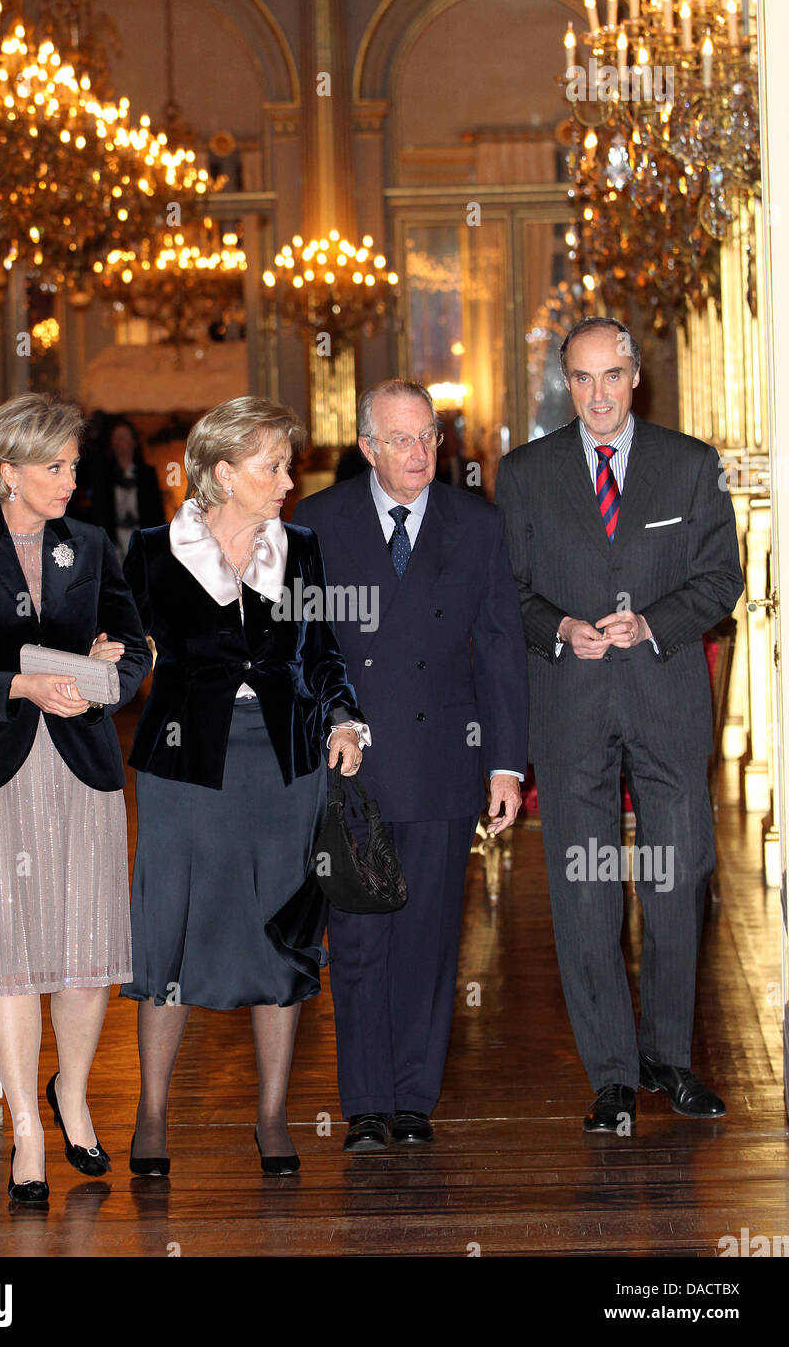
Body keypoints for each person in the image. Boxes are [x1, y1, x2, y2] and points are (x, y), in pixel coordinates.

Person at [494, 316, 744, 1133]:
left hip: (665, 700)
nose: (597, 395)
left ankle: (671, 1060)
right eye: (582, 378)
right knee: (583, 889)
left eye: (611, 376)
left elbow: (719, 581)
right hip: (570, 707)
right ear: (568, 382)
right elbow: (510, 594)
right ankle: (610, 1073)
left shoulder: (689, 464)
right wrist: (563, 628)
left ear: (636, 377)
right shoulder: (525, 474)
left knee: (677, 885)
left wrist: (654, 623)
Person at [119, 396, 368, 1177]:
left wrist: (343, 721)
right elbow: (124, 654)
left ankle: (271, 1114)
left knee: (283, 933)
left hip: (286, 762)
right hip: (185, 765)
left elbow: (323, 651)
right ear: (223, 473)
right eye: (273, 466)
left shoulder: (300, 547)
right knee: (171, 928)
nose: (288, 480)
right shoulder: (153, 553)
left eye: (286, 464)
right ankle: (152, 1113)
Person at [0, 394, 151, 1203]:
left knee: (88, 951)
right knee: (8, 957)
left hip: (82, 767)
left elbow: (137, 648)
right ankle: (24, 1127)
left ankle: (72, 1095)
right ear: (6, 472)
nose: (69, 480)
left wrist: (110, 667)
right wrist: (20, 683)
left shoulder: (88, 546)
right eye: (55, 467)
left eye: (73, 465)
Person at [293, 379, 528, 1152]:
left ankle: (412, 1098)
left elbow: (499, 649)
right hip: (352, 765)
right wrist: (332, 723)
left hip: (442, 762)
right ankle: (363, 1102)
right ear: (367, 448)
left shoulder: (478, 523)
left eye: (428, 435)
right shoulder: (319, 523)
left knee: (428, 938)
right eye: (401, 439)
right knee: (358, 940)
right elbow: (302, 648)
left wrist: (504, 764)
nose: (420, 451)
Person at [84, 417, 166, 561]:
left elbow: (156, 510)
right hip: (114, 542)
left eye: (123, 438)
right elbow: (99, 509)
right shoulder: (103, 474)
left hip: (141, 538)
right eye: (116, 438)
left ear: (133, 442)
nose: (119, 442)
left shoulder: (147, 474)